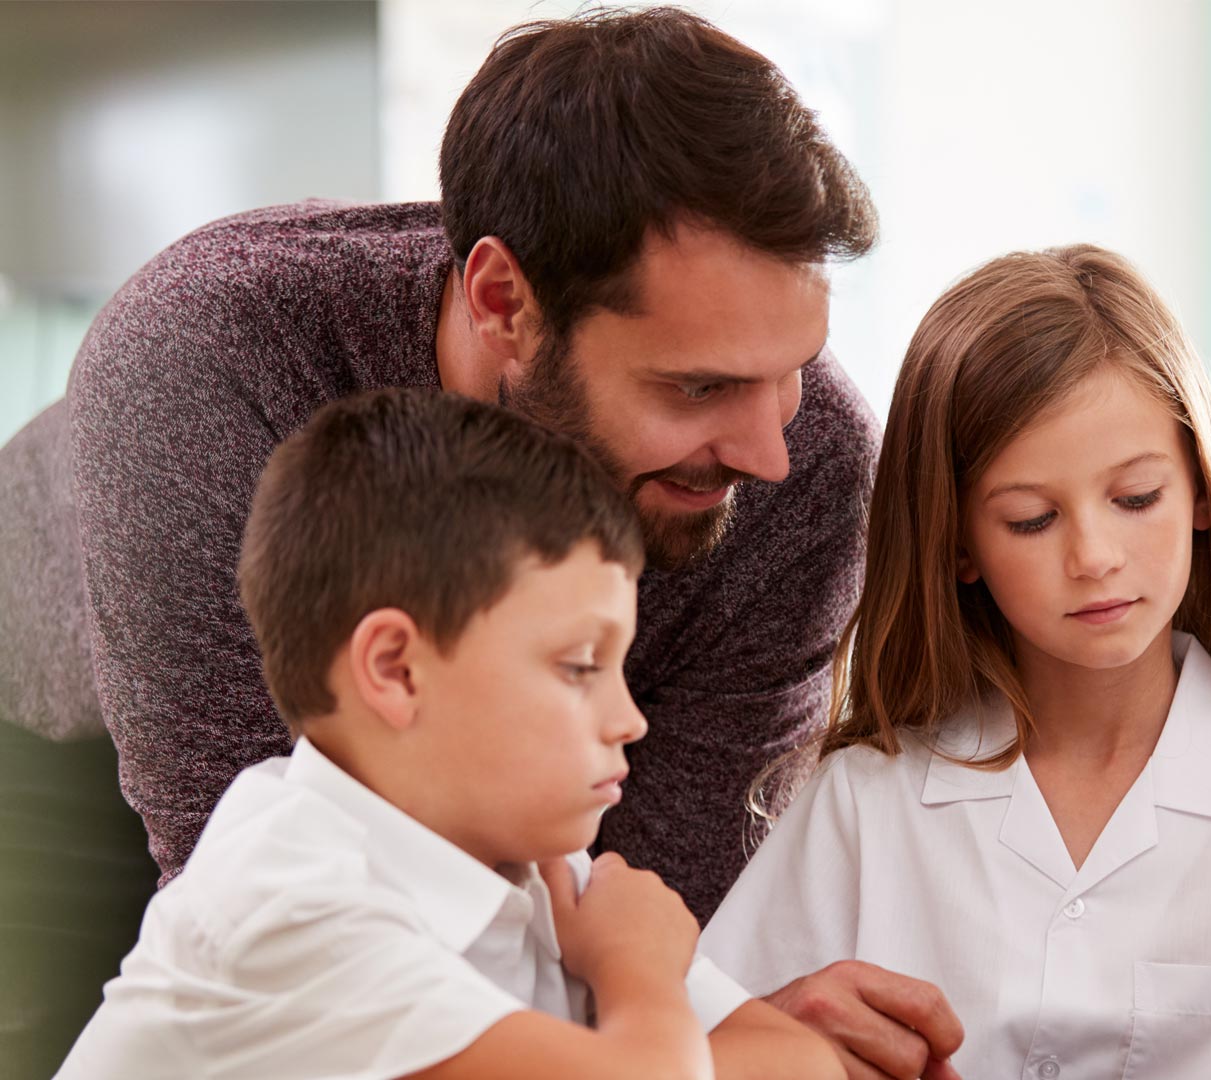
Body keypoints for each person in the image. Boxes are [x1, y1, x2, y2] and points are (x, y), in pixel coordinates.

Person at [0, 7, 919, 1071]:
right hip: (62, 749)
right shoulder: (211, 353)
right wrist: (645, 1013)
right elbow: (279, 892)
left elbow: (632, 922)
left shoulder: (815, 471)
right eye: (699, 386)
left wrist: (654, 999)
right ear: (503, 303)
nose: (769, 453)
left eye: (792, 370)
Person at [700, 245, 1211, 1079]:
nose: (1096, 556)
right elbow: (717, 1048)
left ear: (1203, 490)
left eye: (1137, 499)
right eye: (1031, 519)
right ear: (958, 544)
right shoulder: (864, 805)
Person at [55, 389, 840, 1080]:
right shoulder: (290, 906)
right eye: (578, 666)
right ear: (395, 670)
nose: (628, 718)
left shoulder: (531, 859)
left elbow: (804, 1067)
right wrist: (640, 973)